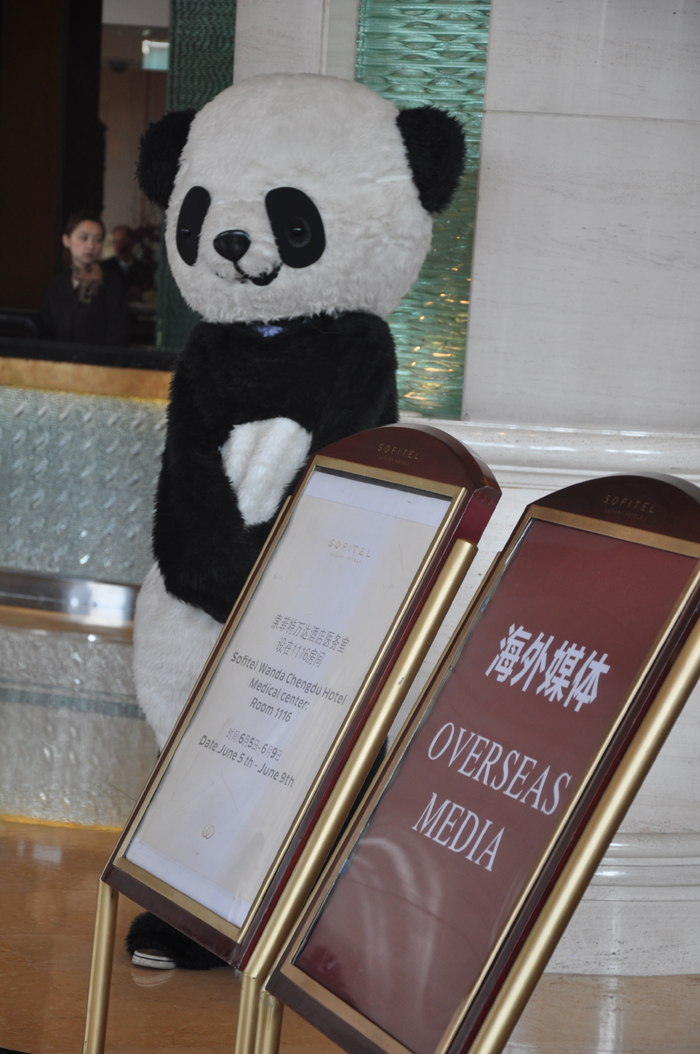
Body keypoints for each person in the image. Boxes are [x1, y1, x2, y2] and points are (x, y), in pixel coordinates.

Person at [40, 210, 128, 345]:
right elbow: (46, 332)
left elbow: (117, 334)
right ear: (66, 240)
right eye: (83, 238)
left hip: (99, 362)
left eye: (98, 240)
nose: (91, 246)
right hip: (60, 362)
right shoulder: (57, 284)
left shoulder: (111, 282)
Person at [102, 224, 154, 301]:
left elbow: (150, 293)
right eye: (114, 242)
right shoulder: (104, 267)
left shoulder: (144, 268)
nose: (117, 246)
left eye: (122, 242)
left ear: (132, 243)